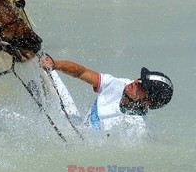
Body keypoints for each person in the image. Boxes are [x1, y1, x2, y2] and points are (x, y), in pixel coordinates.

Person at [39, 56, 174, 131]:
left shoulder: (135, 128)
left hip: (77, 142)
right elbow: (82, 72)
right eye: (140, 79)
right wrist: (55, 64)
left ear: (147, 102)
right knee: (45, 66)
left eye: (143, 86)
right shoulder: (119, 85)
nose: (136, 82)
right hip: (77, 125)